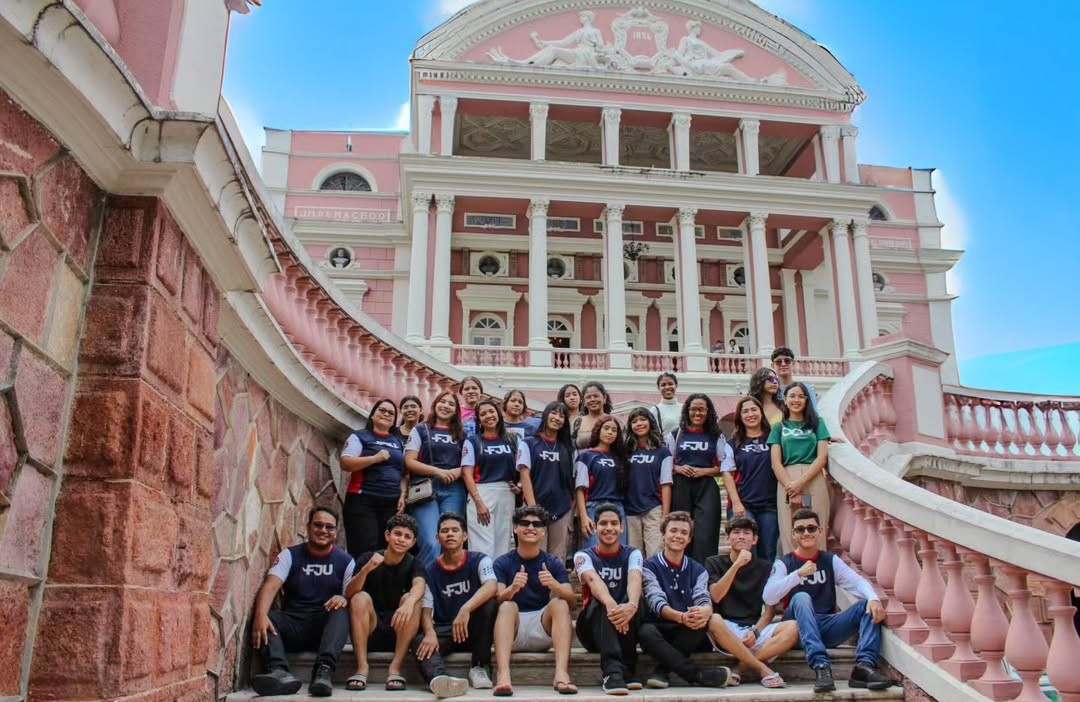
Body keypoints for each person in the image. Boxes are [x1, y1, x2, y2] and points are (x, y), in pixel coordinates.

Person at [763, 509, 891, 693]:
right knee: (801, 597)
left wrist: (873, 599)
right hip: (797, 629)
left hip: (827, 626)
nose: (806, 533)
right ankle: (821, 666)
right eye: (800, 530)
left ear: (820, 531)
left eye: (811, 528)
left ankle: (864, 666)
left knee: (866, 606)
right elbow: (768, 597)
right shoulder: (784, 564)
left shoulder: (829, 560)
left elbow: (856, 582)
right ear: (793, 534)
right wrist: (797, 575)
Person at [250, 507, 355, 697]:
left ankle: (323, 672)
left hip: (324, 631)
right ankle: (279, 672)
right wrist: (260, 616)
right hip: (294, 625)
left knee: (342, 610)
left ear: (336, 532)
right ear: (308, 527)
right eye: (318, 525)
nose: (323, 530)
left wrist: (344, 597)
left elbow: (352, 595)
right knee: (267, 616)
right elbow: (271, 586)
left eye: (329, 527)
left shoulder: (346, 561)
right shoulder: (290, 555)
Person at [345, 515, 452, 694]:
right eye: (397, 534)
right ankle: (362, 668)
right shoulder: (368, 558)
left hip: (401, 631)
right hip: (371, 629)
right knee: (359, 598)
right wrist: (366, 569)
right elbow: (349, 594)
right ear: (387, 535)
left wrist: (408, 602)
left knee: (413, 598)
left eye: (407, 537)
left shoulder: (415, 563)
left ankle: (395, 669)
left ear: (413, 542)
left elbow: (419, 585)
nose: (401, 540)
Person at [638, 511, 731, 689]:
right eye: (673, 531)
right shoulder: (649, 566)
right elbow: (654, 599)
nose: (678, 536)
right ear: (663, 535)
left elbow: (702, 598)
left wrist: (705, 610)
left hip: (686, 630)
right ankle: (697, 675)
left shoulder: (698, 570)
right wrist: (680, 616)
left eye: (683, 533)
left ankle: (663, 670)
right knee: (644, 631)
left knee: (701, 623)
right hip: (660, 627)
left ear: (689, 539)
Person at [492, 506, 578, 696]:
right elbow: (497, 599)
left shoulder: (553, 562)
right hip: (511, 629)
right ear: (515, 528)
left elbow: (573, 601)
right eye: (525, 523)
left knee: (560, 603)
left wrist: (554, 585)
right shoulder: (502, 562)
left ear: (543, 531)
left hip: (541, 629)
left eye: (537, 524)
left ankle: (561, 674)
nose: (531, 527)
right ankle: (503, 675)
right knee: (507, 606)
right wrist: (512, 588)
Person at [704, 517, 796, 688]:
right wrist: (737, 565)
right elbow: (716, 596)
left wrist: (756, 632)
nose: (741, 537)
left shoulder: (766, 567)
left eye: (747, 533)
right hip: (727, 630)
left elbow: (769, 611)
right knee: (713, 620)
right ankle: (762, 669)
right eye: (736, 533)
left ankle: (741, 668)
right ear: (727, 538)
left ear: (755, 540)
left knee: (793, 627)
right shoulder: (713, 562)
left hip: (753, 631)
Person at [413, 512, 498, 692]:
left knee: (490, 604)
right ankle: (441, 680)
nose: (450, 534)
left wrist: (465, 609)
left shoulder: (480, 560)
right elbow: (426, 609)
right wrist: (429, 633)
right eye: (444, 531)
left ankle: (480, 667)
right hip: (448, 629)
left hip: (475, 628)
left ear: (465, 536)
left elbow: (492, 586)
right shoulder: (430, 570)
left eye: (455, 530)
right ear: (437, 538)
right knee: (420, 640)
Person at [572, 503, 644, 695]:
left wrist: (631, 605)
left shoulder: (632, 553)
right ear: (595, 528)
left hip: (623, 626)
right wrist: (612, 604)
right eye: (603, 523)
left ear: (622, 528)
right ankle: (612, 672)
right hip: (591, 629)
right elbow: (593, 580)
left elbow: (635, 578)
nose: (609, 528)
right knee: (603, 600)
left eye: (614, 523)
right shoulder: (583, 555)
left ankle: (627, 668)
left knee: (638, 600)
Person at [666, 394, 733, 563]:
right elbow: (666, 463)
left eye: (702, 409)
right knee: (681, 531)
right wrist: (679, 468)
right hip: (681, 487)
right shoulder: (676, 434)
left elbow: (723, 467)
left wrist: (704, 471)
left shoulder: (716, 436)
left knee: (706, 535)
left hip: (706, 487)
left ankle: (704, 574)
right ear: (687, 411)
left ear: (708, 412)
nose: (698, 413)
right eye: (694, 409)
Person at [405, 390, 467, 567]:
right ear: (435, 405)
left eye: (451, 404)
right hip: (425, 488)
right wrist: (437, 472)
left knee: (452, 540)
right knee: (431, 542)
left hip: (454, 490)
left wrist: (458, 470)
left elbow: (471, 463)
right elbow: (409, 461)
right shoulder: (420, 430)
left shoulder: (462, 435)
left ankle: (447, 584)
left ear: (456, 411)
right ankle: (424, 587)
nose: (445, 406)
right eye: (442, 401)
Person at [341, 399, 407, 557]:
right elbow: (346, 462)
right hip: (363, 500)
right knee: (364, 550)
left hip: (391, 503)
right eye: (382, 410)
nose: (386, 414)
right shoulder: (360, 436)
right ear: (372, 415)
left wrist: (403, 495)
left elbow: (404, 473)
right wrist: (374, 459)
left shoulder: (398, 442)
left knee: (385, 551)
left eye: (391, 413)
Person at [770, 382, 831, 553]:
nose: (796, 400)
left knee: (818, 524)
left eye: (801, 396)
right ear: (785, 399)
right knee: (789, 527)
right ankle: (793, 571)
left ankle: (819, 569)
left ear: (806, 400)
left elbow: (822, 457)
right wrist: (792, 487)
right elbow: (776, 463)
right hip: (786, 477)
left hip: (813, 475)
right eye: (792, 396)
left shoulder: (817, 423)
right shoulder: (779, 428)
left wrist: (801, 483)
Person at [723, 397, 780, 562]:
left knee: (768, 552)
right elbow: (727, 473)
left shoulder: (773, 439)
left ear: (761, 412)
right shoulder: (732, 443)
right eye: (745, 411)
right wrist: (736, 502)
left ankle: (765, 587)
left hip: (769, 506)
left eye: (754, 409)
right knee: (745, 552)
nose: (750, 414)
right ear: (740, 416)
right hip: (743, 504)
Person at [518, 402, 575, 559]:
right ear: (546, 414)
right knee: (535, 554)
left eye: (562, 416)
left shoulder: (568, 448)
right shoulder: (528, 443)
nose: (557, 418)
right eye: (554, 413)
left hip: (562, 509)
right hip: (536, 506)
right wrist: (532, 507)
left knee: (558, 557)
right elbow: (524, 475)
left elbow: (572, 479)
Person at [462, 400, 518, 558]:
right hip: (482, 492)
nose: (489, 416)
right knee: (482, 545)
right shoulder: (473, 441)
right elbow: (467, 473)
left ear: (498, 414)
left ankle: (499, 582)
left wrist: (519, 485)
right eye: (483, 414)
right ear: (478, 420)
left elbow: (522, 468)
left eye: (491, 411)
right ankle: (483, 581)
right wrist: (479, 503)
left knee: (503, 544)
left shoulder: (512, 439)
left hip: (506, 493)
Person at [623, 408, 672, 557]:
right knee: (634, 555)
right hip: (630, 510)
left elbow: (666, 483)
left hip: (654, 508)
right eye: (634, 421)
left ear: (651, 422)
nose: (639, 424)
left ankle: (653, 581)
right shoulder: (625, 451)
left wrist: (665, 515)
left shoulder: (663, 452)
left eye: (643, 419)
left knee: (655, 552)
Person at [575, 415, 628, 549]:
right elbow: (580, 489)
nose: (610, 432)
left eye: (614, 430)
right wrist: (584, 517)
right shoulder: (585, 456)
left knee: (619, 549)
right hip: (594, 507)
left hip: (618, 507)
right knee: (594, 549)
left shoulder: (621, 458)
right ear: (598, 430)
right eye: (606, 428)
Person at [572, 381, 612, 450]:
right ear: (584, 402)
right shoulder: (577, 422)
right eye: (588, 397)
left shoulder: (614, 421)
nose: (592, 399)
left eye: (596, 396)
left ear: (604, 398)